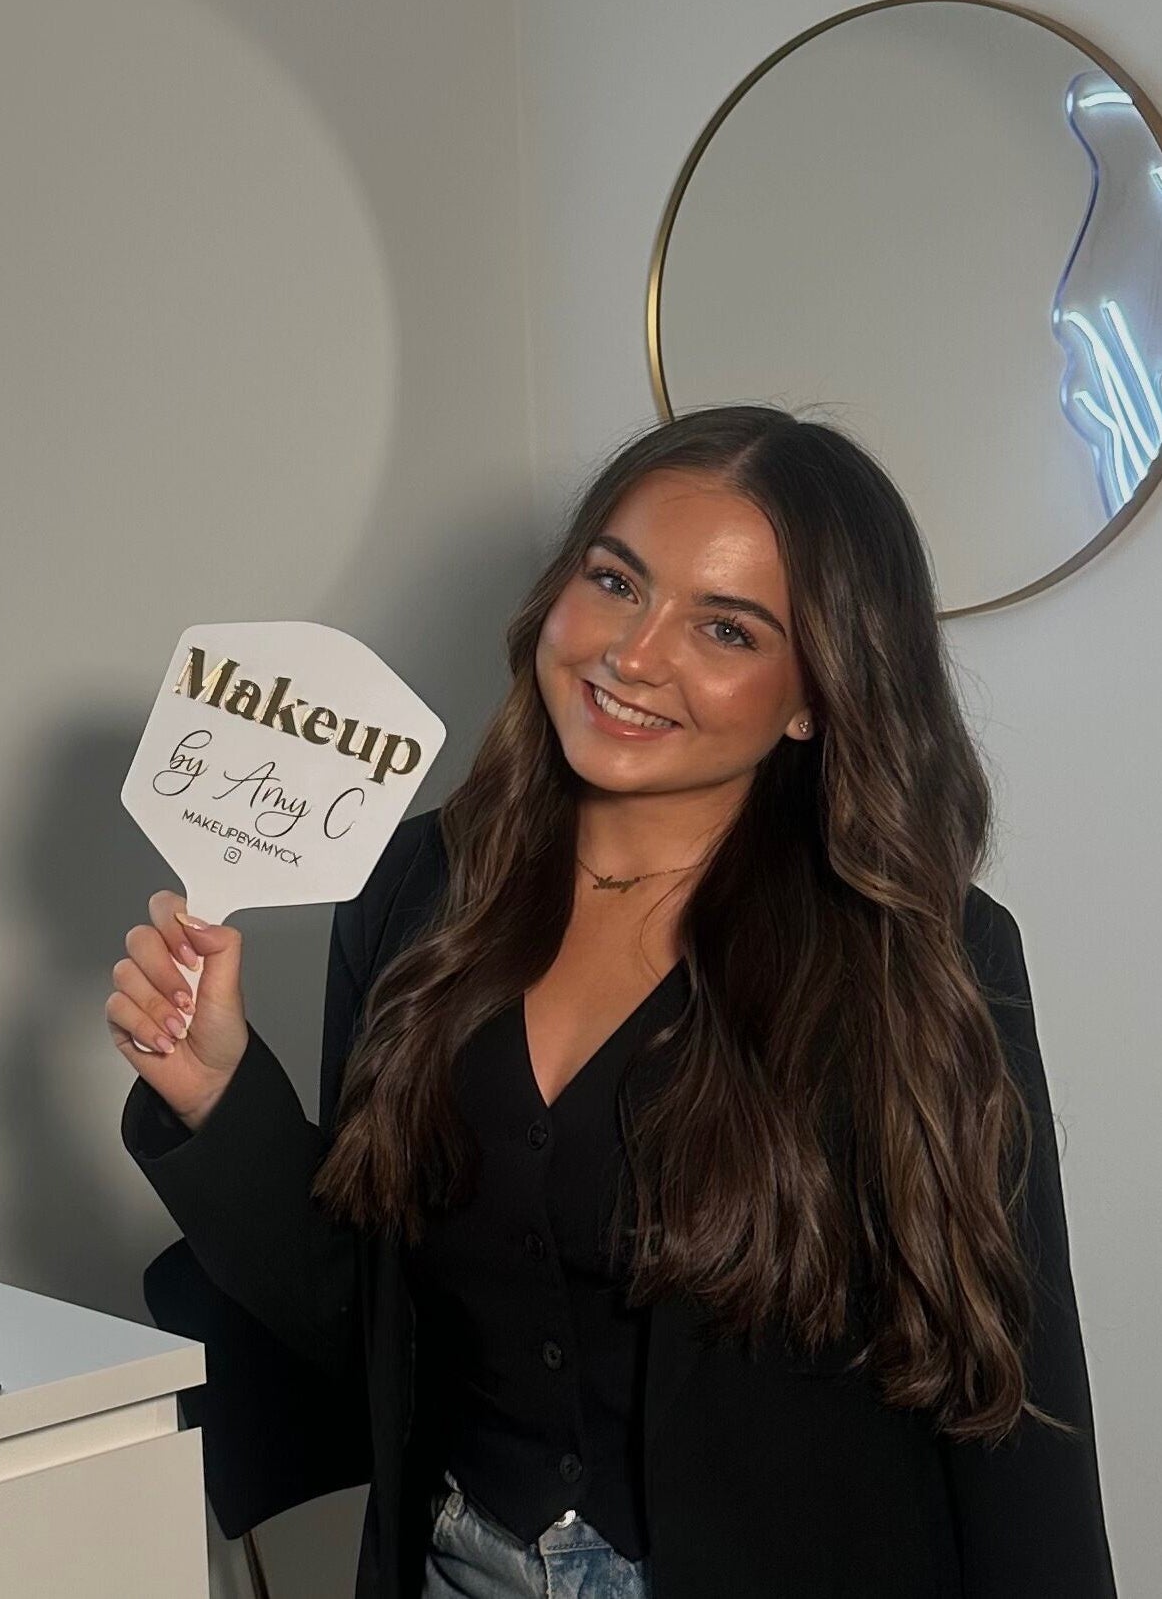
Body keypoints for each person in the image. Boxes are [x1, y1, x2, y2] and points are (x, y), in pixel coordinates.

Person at [107, 408, 1116, 1599]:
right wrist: (220, 1093)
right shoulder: (412, 892)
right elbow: (369, 1329)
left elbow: (1008, 1388)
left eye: (727, 629)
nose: (634, 656)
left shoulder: (922, 952)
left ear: (814, 695)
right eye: (616, 581)